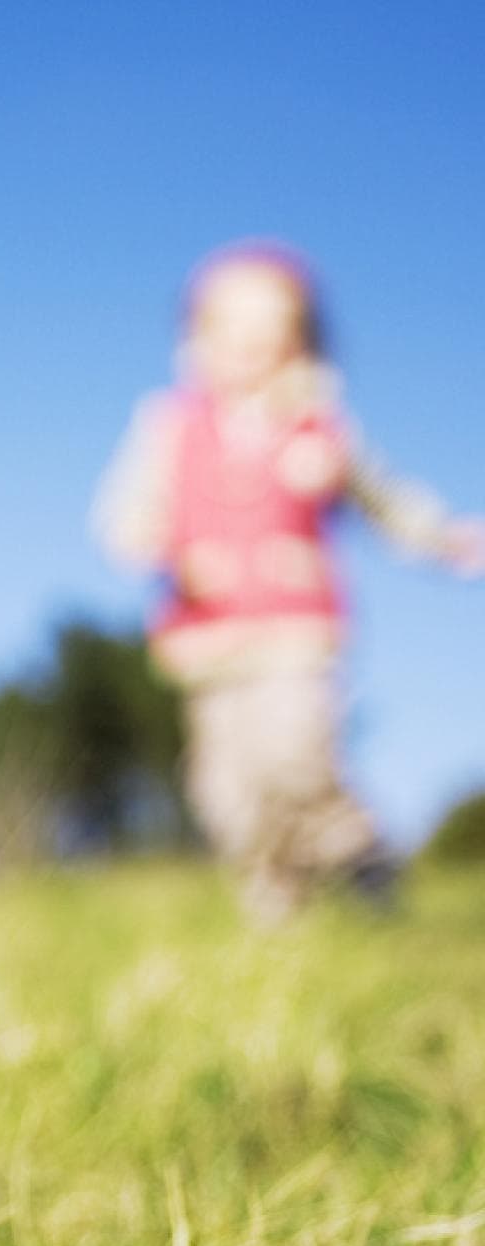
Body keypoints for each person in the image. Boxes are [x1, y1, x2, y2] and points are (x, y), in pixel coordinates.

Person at [93, 242, 485, 922]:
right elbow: (128, 510)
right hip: (208, 636)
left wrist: (442, 537)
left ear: (301, 340)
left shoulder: (321, 430)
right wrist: (156, 544)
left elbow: (384, 500)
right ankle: (279, 913)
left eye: (270, 324)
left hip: (295, 628)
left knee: (293, 756)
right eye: (231, 322)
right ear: (198, 335)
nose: (249, 339)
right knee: (226, 791)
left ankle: (358, 855)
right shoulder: (170, 426)